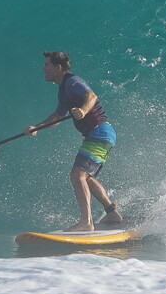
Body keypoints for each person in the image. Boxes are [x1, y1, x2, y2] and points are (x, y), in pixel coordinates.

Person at [26, 51, 123, 232]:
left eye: (47, 65)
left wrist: (84, 110)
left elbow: (91, 96)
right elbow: (57, 116)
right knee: (85, 177)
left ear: (58, 67)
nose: (44, 69)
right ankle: (112, 213)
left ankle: (86, 222)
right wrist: (36, 127)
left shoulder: (72, 82)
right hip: (100, 134)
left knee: (77, 175)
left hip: (100, 133)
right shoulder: (63, 90)